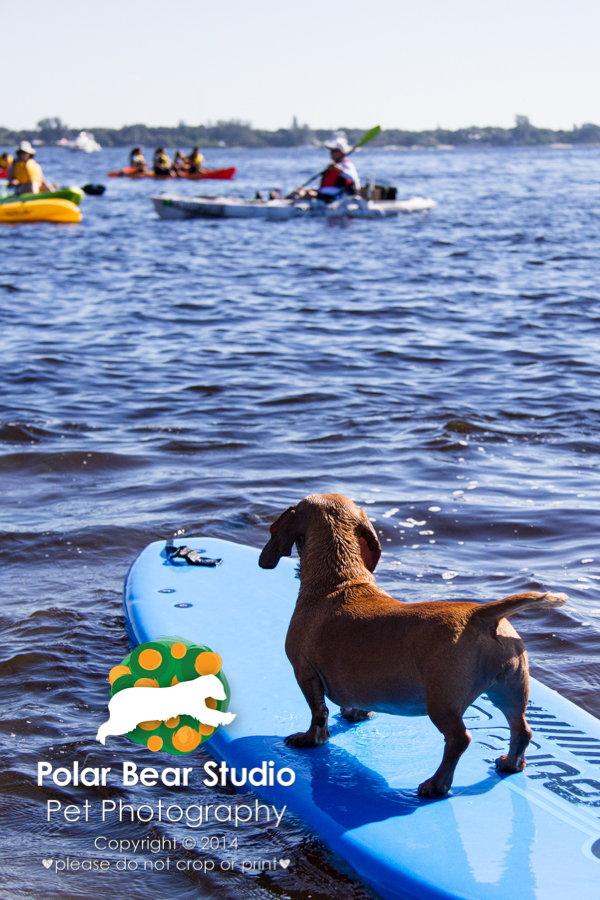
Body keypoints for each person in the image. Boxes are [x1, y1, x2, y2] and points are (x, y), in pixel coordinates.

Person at [316, 136, 360, 202]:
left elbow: (353, 178)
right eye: (331, 151)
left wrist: (339, 169)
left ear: (340, 152)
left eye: (333, 151)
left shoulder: (346, 164)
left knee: (308, 195)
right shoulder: (333, 164)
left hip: (338, 194)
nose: (331, 153)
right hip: (326, 192)